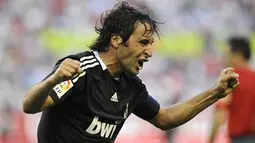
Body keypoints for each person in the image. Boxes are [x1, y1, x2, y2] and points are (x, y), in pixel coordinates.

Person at [22, 2, 239, 143]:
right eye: (143, 43)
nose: (149, 52)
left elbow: (165, 118)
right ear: (116, 40)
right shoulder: (82, 69)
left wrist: (216, 93)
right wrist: (53, 80)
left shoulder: (131, 87)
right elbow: (30, 106)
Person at [209, 36, 255, 143]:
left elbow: (219, 113)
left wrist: (210, 140)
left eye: (226, 53)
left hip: (239, 139)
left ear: (238, 54)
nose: (223, 58)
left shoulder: (231, 80)